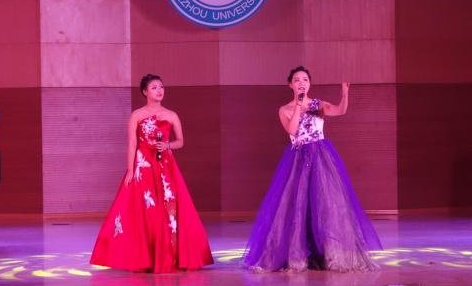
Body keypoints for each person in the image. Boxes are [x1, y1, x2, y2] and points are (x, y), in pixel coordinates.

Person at [243, 66, 381, 272]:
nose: (301, 83)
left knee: (325, 204)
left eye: (305, 79)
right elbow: (292, 130)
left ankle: (326, 253)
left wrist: (344, 94)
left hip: (320, 159)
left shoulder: (319, 105)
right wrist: (298, 105)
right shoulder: (284, 109)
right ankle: (296, 254)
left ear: (310, 84)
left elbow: (340, 110)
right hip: (298, 160)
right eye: (297, 80)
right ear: (290, 85)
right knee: (297, 206)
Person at [90, 74, 213, 273]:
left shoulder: (171, 115)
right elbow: (132, 144)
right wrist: (131, 170)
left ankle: (168, 256)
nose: (159, 90)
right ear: (145, 92)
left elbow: (180, 142)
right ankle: (145, 257)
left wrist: (167, 145)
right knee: (146, 211)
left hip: (165, 165)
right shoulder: (137, 115)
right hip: (143, 165)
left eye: (161, 87)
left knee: (167, 208)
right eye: (154, 87)